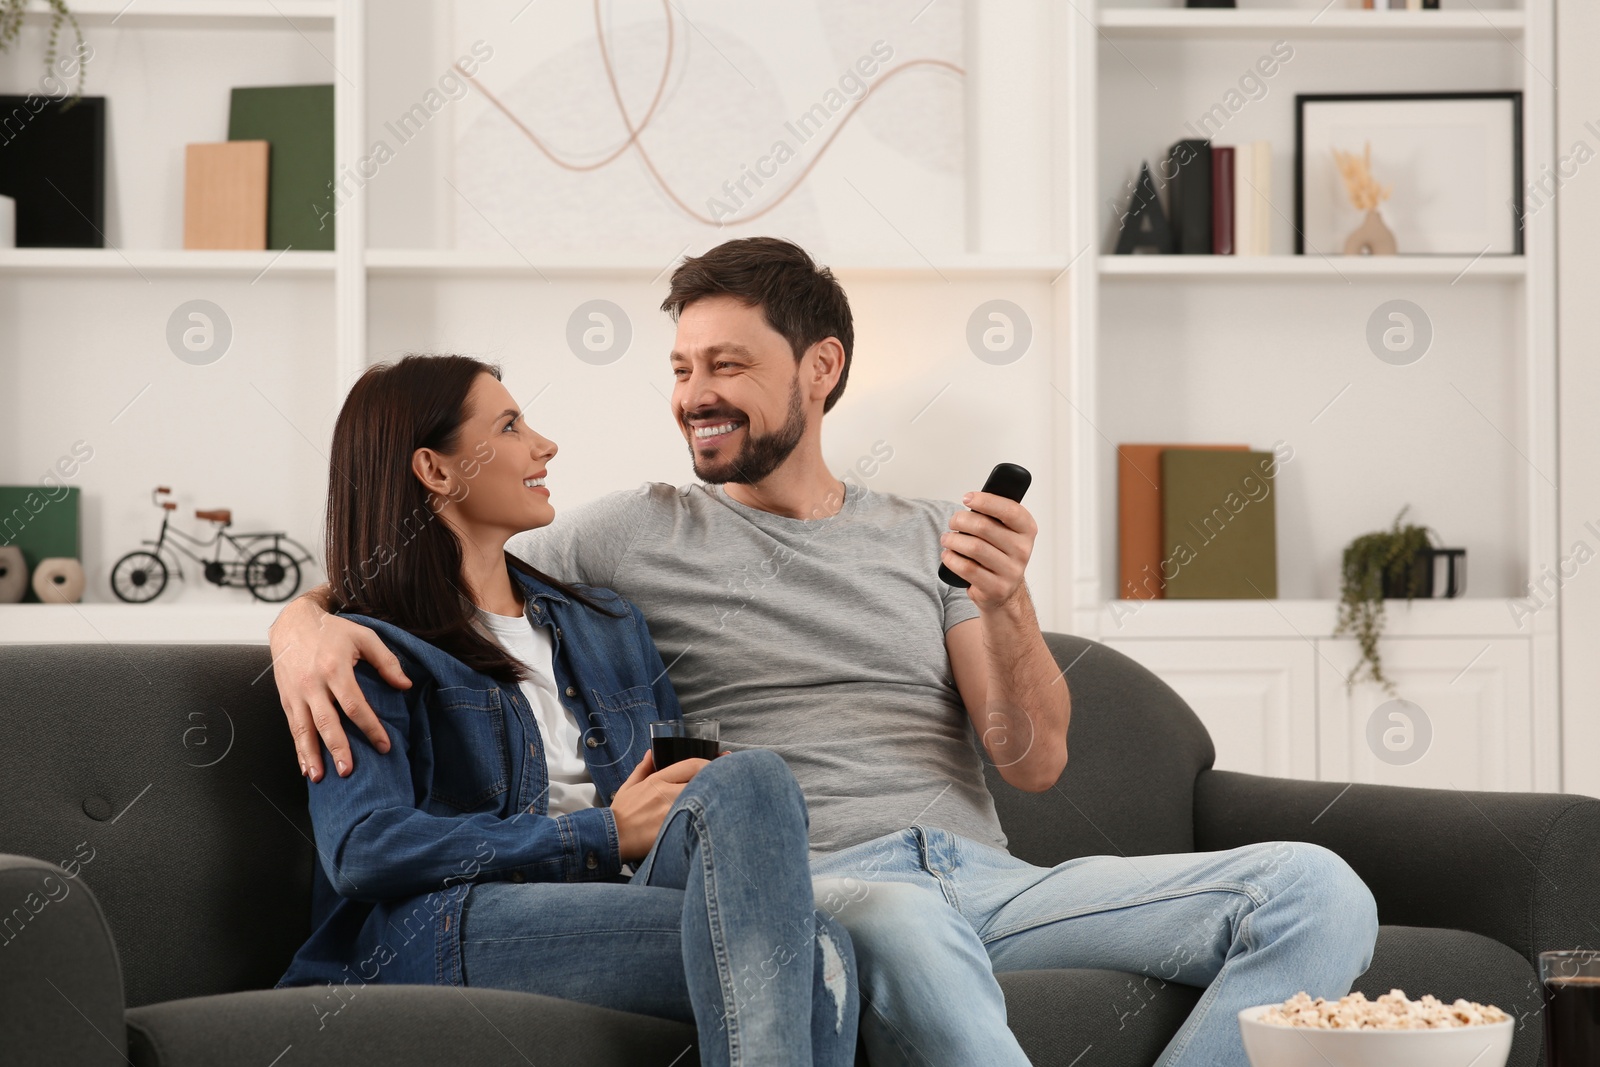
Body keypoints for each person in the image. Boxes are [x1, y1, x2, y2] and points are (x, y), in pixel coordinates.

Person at [271, 238, 1380, 1067]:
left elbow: (1029, 758)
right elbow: (433, 571)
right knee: (885, 915)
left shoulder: (926, 533)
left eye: (725, 364)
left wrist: (1008, 606)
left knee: (1317, 886)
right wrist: (303, 620)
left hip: (982, 878)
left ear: (819, 366)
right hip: (808, 879)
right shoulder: (626, 532)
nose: (692, 393)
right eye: (678, 366)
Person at [273, 353, 858, 1067]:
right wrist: (602, 833)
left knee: (758, 785)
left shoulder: (605, 622)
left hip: (617, 895)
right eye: (511, 425)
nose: (544, 445)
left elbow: (677, 780)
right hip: (452, 919)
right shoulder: (363, 646)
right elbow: (363, 848)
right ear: (435, 470)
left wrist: (690, 801)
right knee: (813, 951)